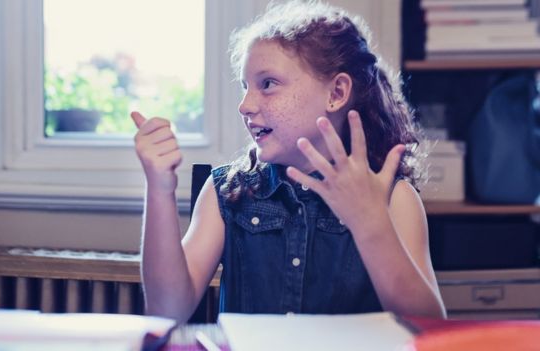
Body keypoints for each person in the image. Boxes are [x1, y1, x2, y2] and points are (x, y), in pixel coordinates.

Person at [131, 0, 446, 323]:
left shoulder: (393, 198)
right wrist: (159, 188)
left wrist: (371, 224)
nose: (245, 105)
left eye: (268, 84)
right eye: (245, 87)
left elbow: (427, 327)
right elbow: (166, 311)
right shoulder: (225, 192)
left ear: (336, 93)